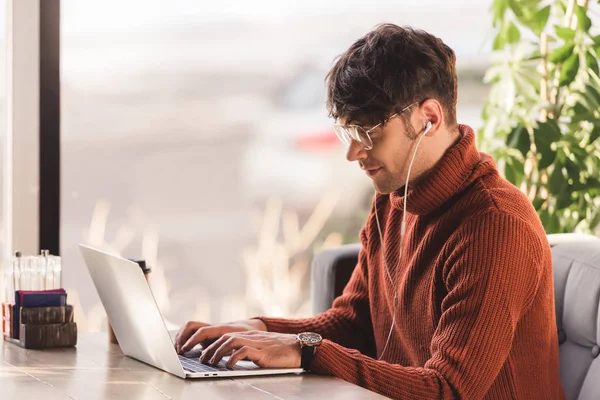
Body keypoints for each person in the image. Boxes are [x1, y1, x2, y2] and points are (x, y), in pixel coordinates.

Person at [175, 24, 565, 399]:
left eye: (368, 133)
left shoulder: (494, 225)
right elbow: (354, 322)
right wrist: (258, 329)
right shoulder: (395, 198)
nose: (353, 153)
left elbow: (449, 390)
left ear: (428, 118)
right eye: (348, 132)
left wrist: (308, 350)